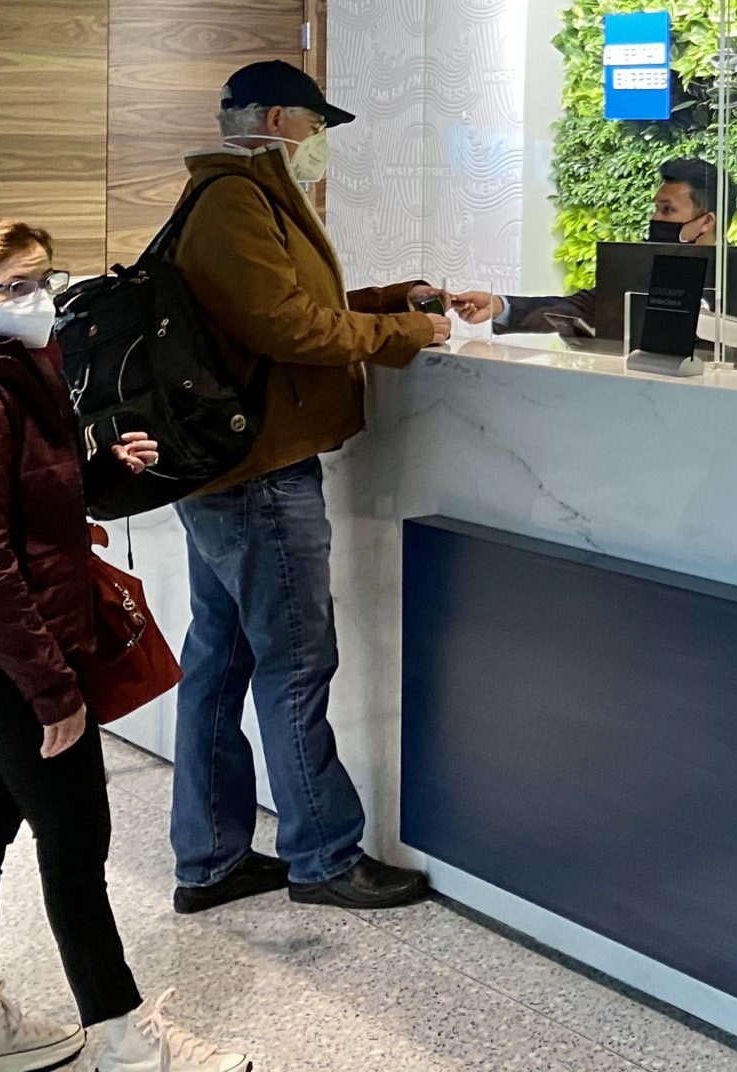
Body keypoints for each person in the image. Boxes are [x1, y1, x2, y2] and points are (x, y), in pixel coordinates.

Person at [0, 217, 250, 1071]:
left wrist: (100, 473)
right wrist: (50, 689)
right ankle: (123, 1040)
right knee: (75, 842)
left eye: (45, 279)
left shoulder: (8, 372)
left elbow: (25, 508)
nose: (40, 299)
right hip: (8, 654)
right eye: (16, 287)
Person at [166, 60, 456, 916]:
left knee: (222, 659)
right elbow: (286, 326)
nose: (320, 140)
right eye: (315, 123)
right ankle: (322, 856)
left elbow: (288, 304)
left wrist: (391, 299)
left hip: (234, 471)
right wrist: (404, 332)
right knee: (294, 662)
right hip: (257, 472)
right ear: (274, 120)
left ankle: (212, 858)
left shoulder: (242, 196)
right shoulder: (235, 199)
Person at [482, 157, 726, 336]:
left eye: (667, 209)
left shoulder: (735, 277)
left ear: (706, 222)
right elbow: (576, 308)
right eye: (656, 208)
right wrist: (500, 306)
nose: (655, 218)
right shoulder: (637, 266)